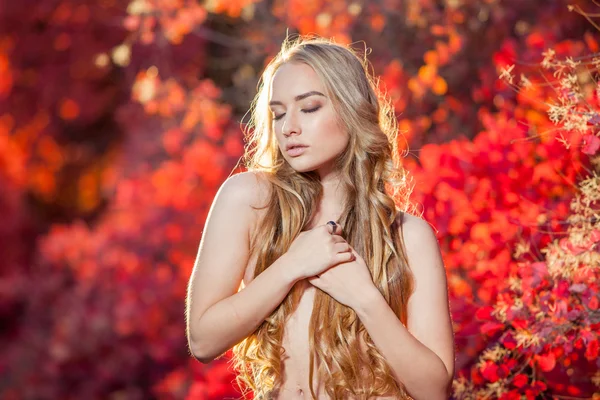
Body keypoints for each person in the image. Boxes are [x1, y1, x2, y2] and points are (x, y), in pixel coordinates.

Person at [185, 35, 455, 400]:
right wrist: (291, 265)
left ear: (351, 109)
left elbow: (434, 390)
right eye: (278, 113)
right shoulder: (251, 200)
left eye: (309, 108)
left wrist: (365, 297)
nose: (288, 127)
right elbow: (202, 339)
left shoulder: (409, 235)